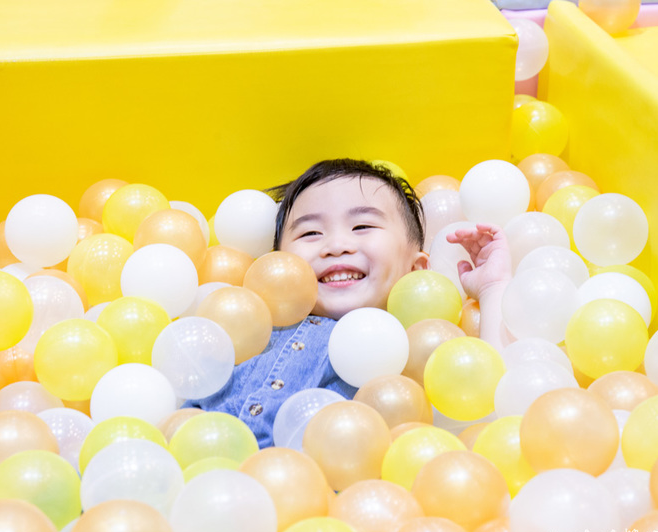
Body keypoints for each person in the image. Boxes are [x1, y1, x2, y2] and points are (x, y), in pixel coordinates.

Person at [187, 158, 511, 447]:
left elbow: (488, 396)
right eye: (310, 233)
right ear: (277, 265)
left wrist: (493, 287)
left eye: (362, 226)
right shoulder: (252, 324)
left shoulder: (415, 350)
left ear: (416, 270)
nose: (337, 245)